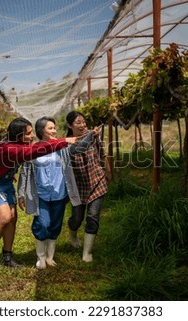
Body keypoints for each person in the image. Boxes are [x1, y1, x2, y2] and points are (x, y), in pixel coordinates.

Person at [0, 117, 80, 273]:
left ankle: (7, 256)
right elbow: (36, 151)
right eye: (28, 133)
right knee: (5, 217)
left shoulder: (19, 144)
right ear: (19, 135)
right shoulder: (9, 148)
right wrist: (65, 140)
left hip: (5, 182)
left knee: (12, 218)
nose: (32, 136)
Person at [17, 116, 101, 269]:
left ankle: (50, 257)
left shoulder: (62, 147)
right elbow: (25, 172)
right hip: (40, 194)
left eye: (55, 127)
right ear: (41, 131)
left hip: (59, 194)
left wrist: (91, 135)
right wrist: (21, 193)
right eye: (50, 128)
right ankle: (40, 258)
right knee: (42, 224)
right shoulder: (33, 149)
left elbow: (80, 148)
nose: (54, 130)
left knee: (55, 225)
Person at [65, 111, 112, 262]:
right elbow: (79, 149)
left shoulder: (93, 136)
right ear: (69, 125)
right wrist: (90, 136)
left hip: (96, 181)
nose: (82, 125)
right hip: (78, 186)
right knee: (77, 218)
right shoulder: (66, 142)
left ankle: (87, 253)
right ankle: (73, 234)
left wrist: (108, 170)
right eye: (78, 123)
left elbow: (102, 154)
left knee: (92, 217)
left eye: (83, 122)